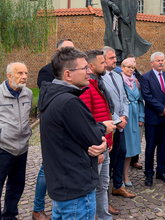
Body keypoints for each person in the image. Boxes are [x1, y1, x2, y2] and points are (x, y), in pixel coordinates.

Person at [38, 47, 115, 218]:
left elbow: (77, 132)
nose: (89, 72)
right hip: (76, 188)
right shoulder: (69, 102)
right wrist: (101, 136)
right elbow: (93, 138)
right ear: (67, 75)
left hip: (63, 185)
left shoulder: (52, 97)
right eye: (84, 68)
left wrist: (98, 133)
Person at [33, 38, 75, 220]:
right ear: (57, 51)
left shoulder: (75, 70)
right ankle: (37, 208)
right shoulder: (46, 71)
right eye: (66, 49)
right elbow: (47, 97)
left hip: (71, 124)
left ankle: (66, 201)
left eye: (72, 49)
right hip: (55, 126)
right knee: (46, 167)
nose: (69, 53)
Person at [79, 50, 120, 218]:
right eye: (102, 63)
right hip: (97, 145)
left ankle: (104, 216)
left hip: (105, 142)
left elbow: (105, 112)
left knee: (103, 186)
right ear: (91, 66)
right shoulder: (87, 88)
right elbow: (86, 120)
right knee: (92, 187)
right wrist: (97, 144)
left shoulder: (98, 84)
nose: (105, 65)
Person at [101, 46, 135, 198]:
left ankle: (117, 186)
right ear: (102, 59)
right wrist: (116, 120)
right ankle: (105, 193)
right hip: (109, 125)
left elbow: (125, 99)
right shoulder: (99, 78)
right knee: (108, 159)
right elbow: (105, 103)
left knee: (121, 153)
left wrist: (125, 117)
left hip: (121, 123)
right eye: (111, 58)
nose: (115, 60)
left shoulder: (118, 76)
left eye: (115, 57)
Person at [0, 62, 32, 219]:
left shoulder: (28, 94)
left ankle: (10, 215)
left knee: (17, 185)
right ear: (9, 75)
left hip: (22, 148)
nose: (24, 77)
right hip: (3, 148)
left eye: (26, 73)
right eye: (20, 73)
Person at [140, 52, 165, 186]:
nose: (161, 62)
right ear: (152, 63)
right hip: (153, 119)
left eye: (162, 60)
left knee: (164, 146)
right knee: (150, 148)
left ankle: (161, 171)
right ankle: (148, 173)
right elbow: (147, 97)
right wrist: (161, 108)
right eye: (158, 61)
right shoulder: (146, 77)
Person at [120, 58, 145, 186]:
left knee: (130, 148)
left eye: (132, 68)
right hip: (124, 117)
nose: (130, 69)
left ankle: (126, 175)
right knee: (122, 148)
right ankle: (119, 176)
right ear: (122, 67)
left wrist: (141, 117)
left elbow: (141, 100)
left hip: (134, 117)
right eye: (128, 67)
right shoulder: (119, 81)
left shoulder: (136, 82)